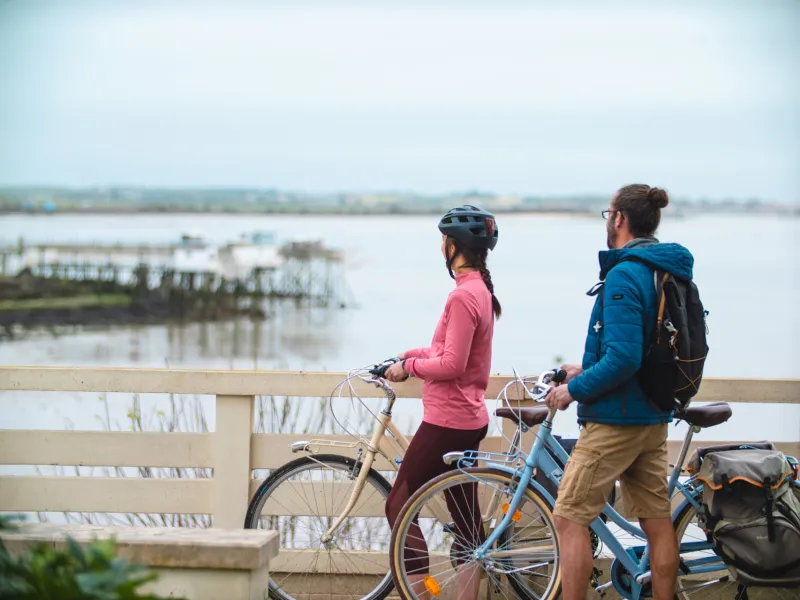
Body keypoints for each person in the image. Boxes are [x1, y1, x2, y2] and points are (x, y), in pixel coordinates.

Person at [545, 184, 691, 600]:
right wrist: (586, 367)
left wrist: (574, 389)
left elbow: (625, 357)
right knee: (657, 521)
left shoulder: (626, 273)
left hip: (615, 421)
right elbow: (639, 349)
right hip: (652, 415)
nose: (607, 221)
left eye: (608, 213)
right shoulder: (664, 269)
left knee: (569, 520)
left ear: (620, 219)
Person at [382, 204, 501, 600]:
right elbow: (446, 348)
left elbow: (451, 364)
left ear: (455, 246)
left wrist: (410, 367)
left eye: (443, 240)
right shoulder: (477, 291)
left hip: (448, 421)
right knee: (468, 525)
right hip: (466, 417)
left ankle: (422, 595)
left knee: (398, 507)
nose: (440, 247)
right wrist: (405, 357)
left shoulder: (463, 297)